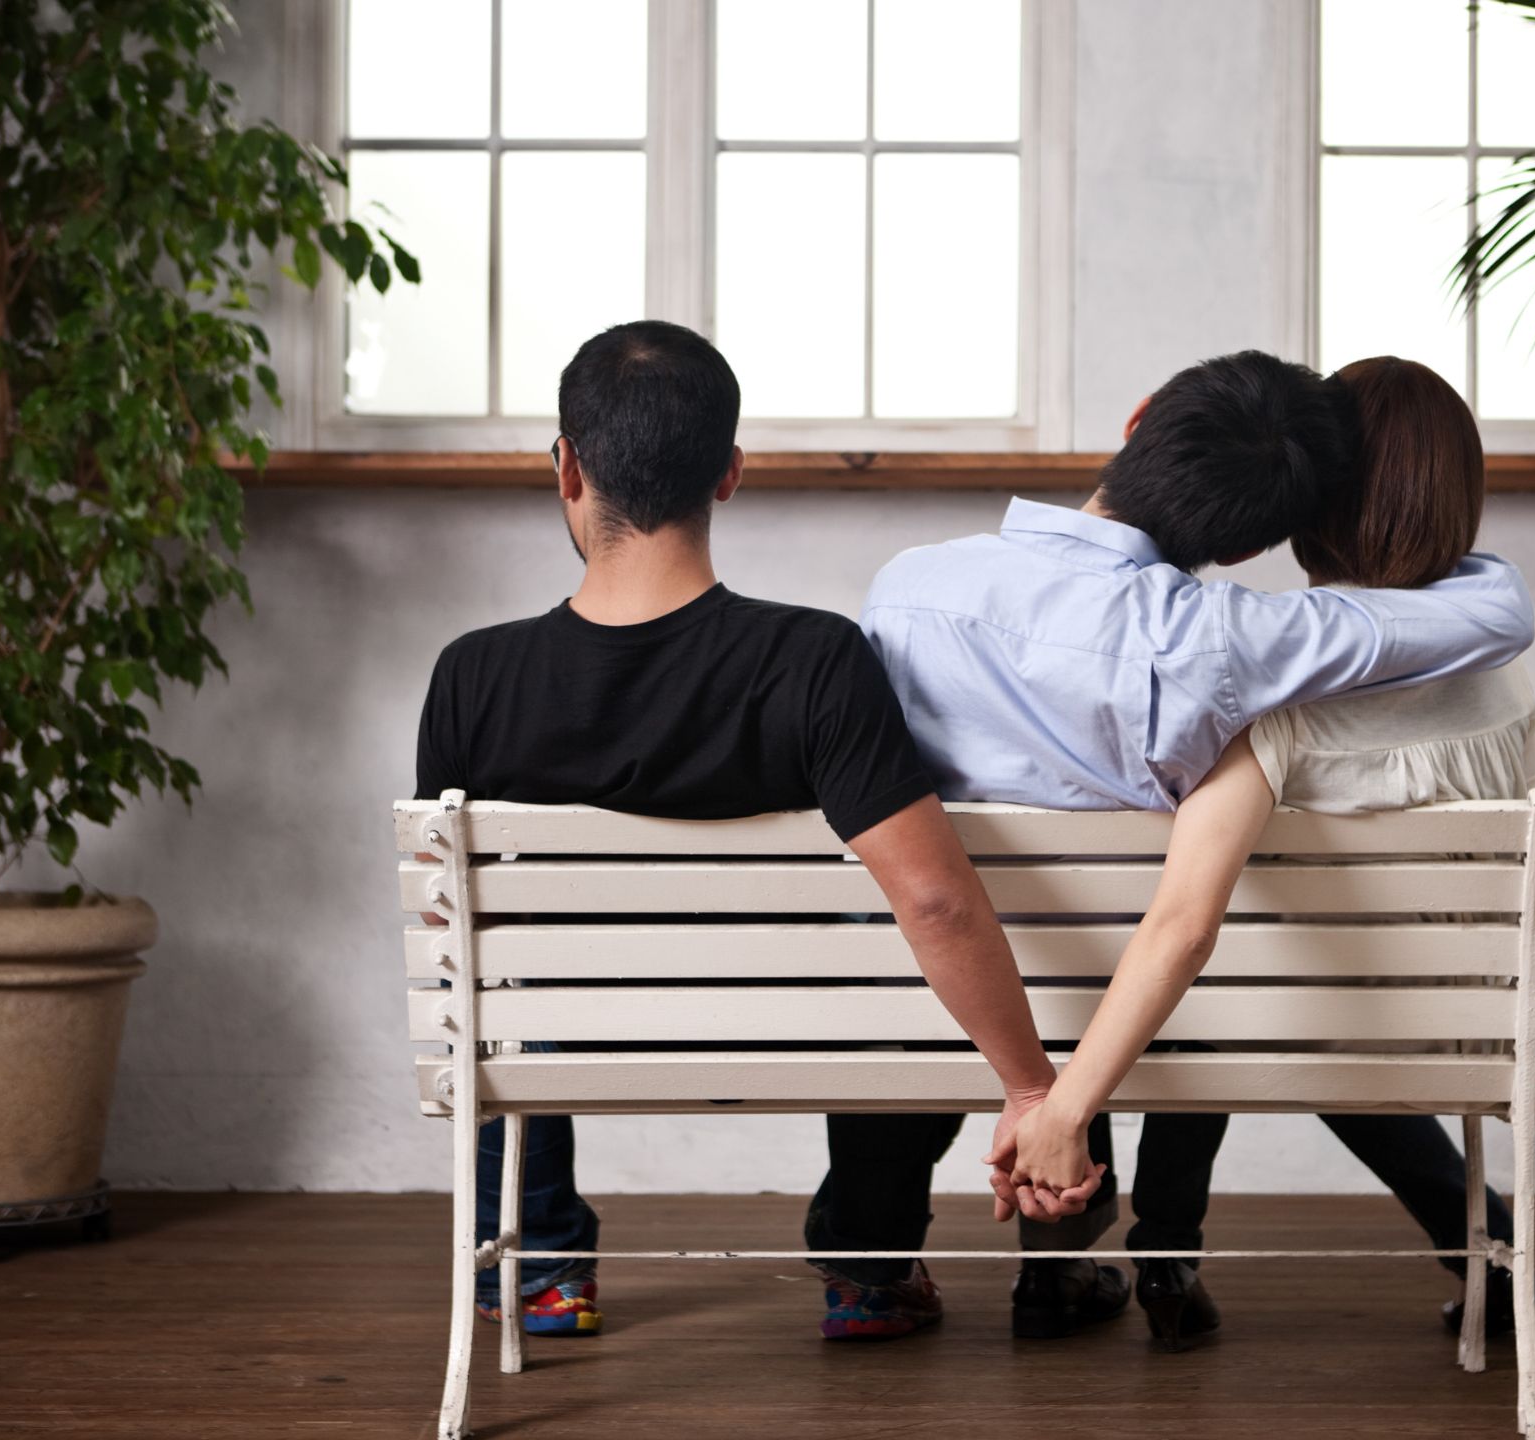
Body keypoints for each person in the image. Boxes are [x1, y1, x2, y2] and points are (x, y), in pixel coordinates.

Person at [813, 350, 1535, 1344]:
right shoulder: (1228, 637)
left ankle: (870, 1268)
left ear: (1139, 416)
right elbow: (1496, 612)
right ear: (1248, 547)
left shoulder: (907, 588)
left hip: (928, 980)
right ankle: (1098, 1257)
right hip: (1120, 997)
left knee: (912, 931)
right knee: (1117, 956)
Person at [412, 320, 1095, 1342]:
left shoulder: (473, 675)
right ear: (728, 473)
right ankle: (866, 1274)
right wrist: (1031, 1086)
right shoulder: (816, 659)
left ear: (568, 468)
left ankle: (543, 1270)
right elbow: (935, 898)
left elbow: (447, 928)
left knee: (500, 990)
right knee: (902, 991)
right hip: (791, 1019)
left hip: (573, 1030)